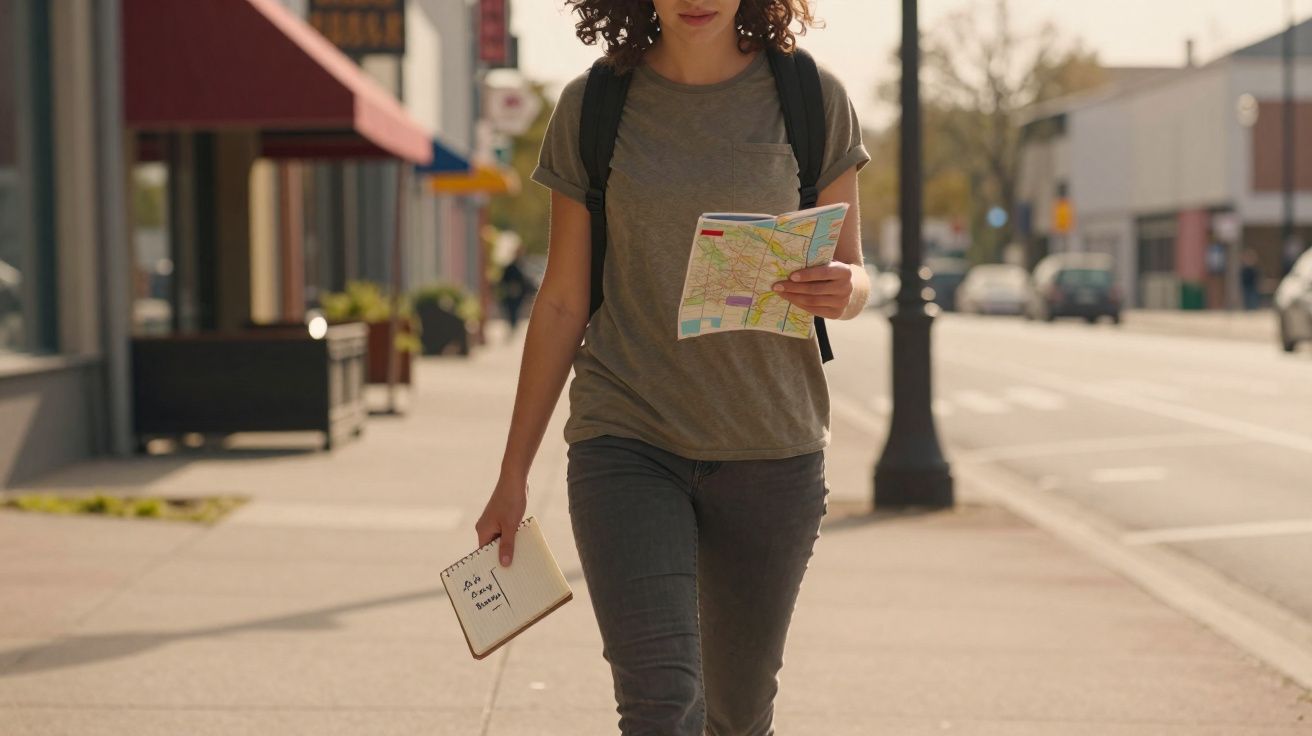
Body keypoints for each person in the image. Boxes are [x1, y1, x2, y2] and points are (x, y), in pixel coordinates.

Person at [475, 1, 870, 733]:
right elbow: (562, 301)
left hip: (771, 447)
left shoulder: (811, 97)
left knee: (738, 713)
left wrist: (847, 290)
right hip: (627, 437)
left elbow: (854, 269)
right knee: (661, 702)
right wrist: (512, 473)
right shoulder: (594, 105)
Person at [497, 249, 533, 333]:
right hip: (510, 294)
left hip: (518, 294)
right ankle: (512, 326)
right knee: (511, 310)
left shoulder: (522, 267)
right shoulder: (510, 267)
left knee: (516, 310)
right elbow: (503, 280)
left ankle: (513, 326)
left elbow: (525, 282)